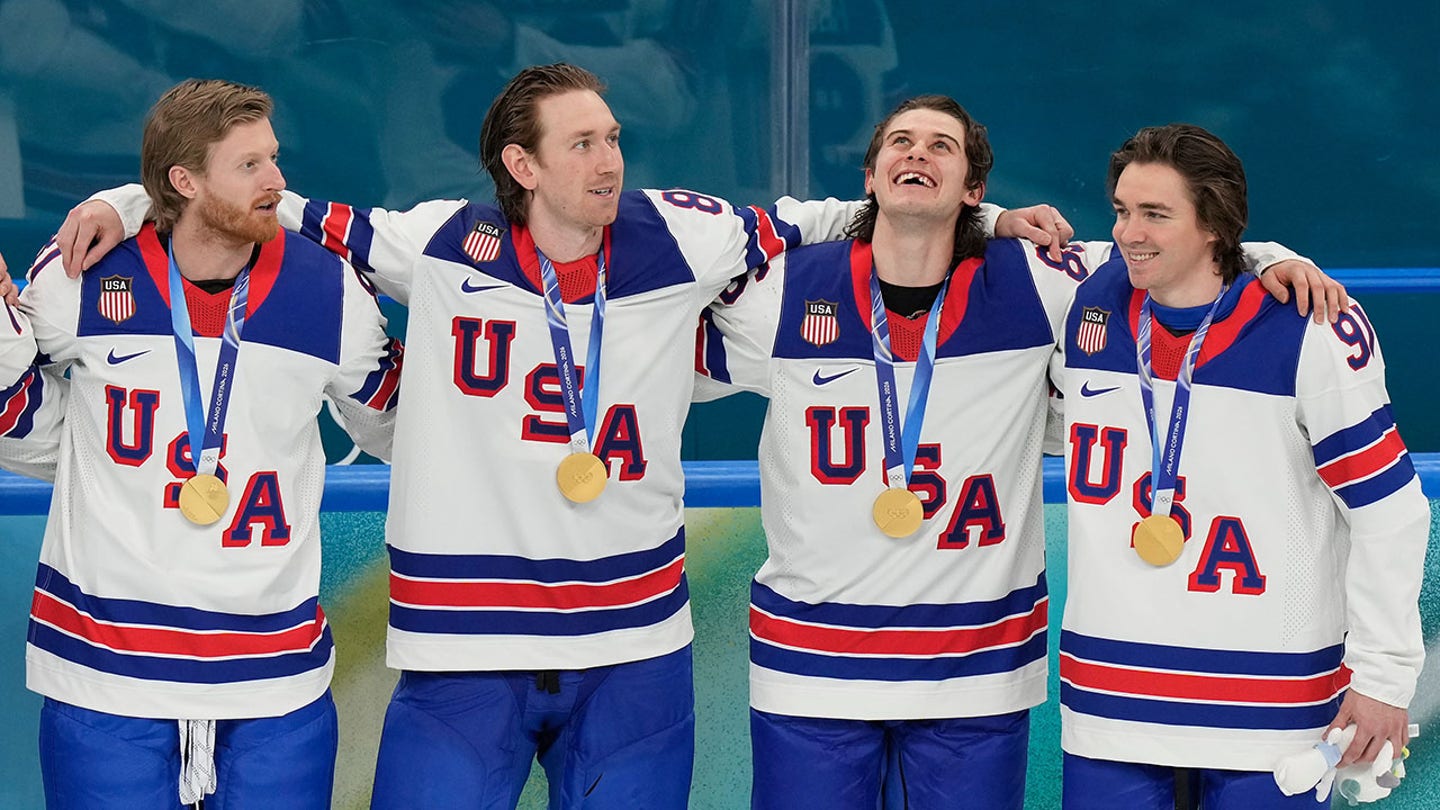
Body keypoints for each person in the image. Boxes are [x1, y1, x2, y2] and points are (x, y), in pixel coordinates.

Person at [694, 96, 1337, 808]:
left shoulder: (1036, 281)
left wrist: (1275, 258)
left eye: (941, 146)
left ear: (974, 190)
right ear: (869, 178)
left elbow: (1175, 251)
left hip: (975, 674)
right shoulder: (785, 291)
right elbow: (656, 326)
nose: (917, 153)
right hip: (811, 665)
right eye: (900, 142)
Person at [14, 78, 402, 808]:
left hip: (274, 674)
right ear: (185, 182)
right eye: (250, 165)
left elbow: (398, 432)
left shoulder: (331, 291)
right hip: (106, 668)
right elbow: (15, 413)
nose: (277, 180)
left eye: (274, 158)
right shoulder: (81, 275)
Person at [1052, 124, 1426, 809]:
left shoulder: (1310, 325)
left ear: (1214, 226)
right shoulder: (1087, 296)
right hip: (1113, 699)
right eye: (1121, 210)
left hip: (1270, 704)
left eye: (1155, 213)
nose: (1129, 233)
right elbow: (931, 231)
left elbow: (1389, 511)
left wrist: (1383, 680)